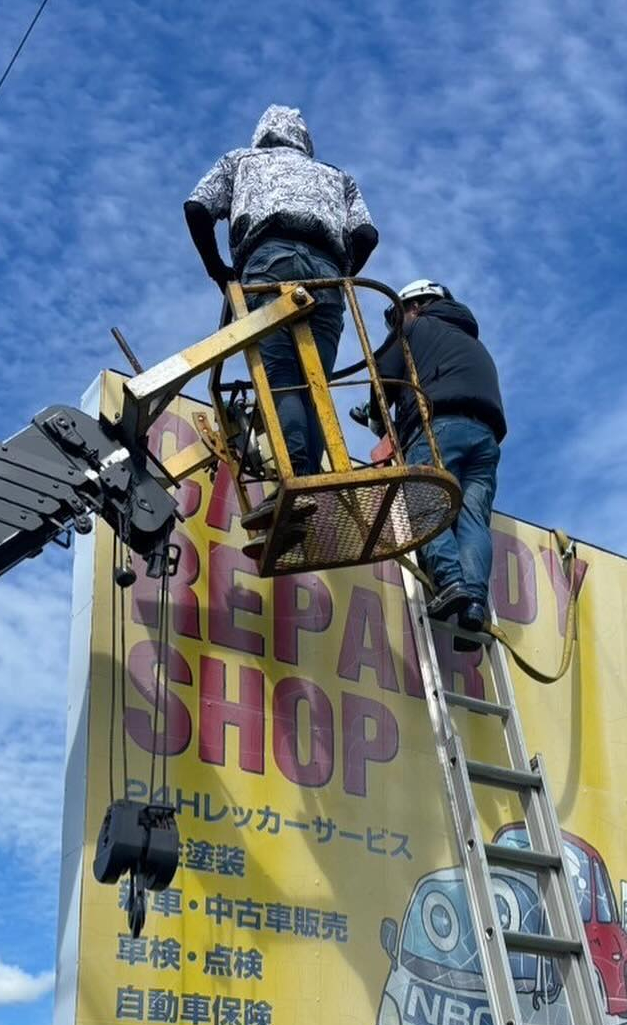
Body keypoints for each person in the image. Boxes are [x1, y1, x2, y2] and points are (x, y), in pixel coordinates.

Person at [185, 106, 377, 544]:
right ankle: (311, 485)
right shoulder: (336, 176)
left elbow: (197, 207)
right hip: (327, 277)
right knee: (317, 387)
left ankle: (295, 484)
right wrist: (343, 272)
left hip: (268, 265)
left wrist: (218, 269)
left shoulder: (241, 161)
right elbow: (366, 234)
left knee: (284, 382)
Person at [367, 280, 505, 646]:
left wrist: (376, 419)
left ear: (415, 306)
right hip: (485, 439)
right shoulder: (473, 344)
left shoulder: (416, 327)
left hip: (439, 428)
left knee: (426, 503)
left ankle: (451, 582)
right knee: (473, 519)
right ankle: (474, 604)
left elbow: (384, 373)